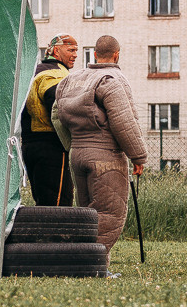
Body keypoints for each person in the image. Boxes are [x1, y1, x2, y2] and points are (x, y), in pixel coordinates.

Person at [51, 35, 147, 252]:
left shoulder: (71, 80)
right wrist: (138, 156)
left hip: (78, 156)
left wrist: (73, 145)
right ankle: (94, 263)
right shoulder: (111, 79)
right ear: (116, 55)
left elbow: (56, 114)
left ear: (94, 54)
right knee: (109, 214)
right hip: (106, 157)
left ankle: (84, 261)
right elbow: (123, 120)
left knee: (86, 213)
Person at [21, 33, 78, 207]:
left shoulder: (34, 71)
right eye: (71, 50)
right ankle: (54, 236)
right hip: (52, 146)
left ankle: (40, 235)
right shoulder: (56, 73)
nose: (75, 54)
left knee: (43, 203)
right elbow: (57, 101)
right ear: (55, 51)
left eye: (76, 50)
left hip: (29, 145)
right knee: (58, 205)